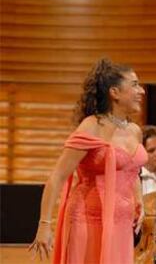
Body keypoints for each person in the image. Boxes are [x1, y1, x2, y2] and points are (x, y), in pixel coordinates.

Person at [29, 58, 147, 264]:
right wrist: (44, 225)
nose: (142, 91)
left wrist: (139, 201)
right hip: (88, 221)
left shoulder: (134, 131)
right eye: (135, 85)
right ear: (114, 92)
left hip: (122, 224)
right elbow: (57, 177)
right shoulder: (91, 126)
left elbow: (132, 170)